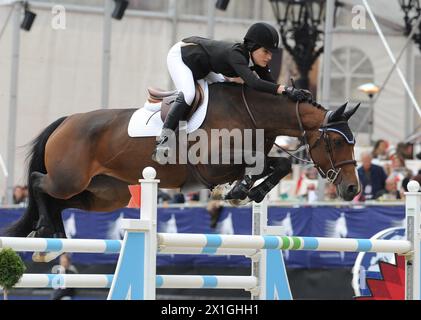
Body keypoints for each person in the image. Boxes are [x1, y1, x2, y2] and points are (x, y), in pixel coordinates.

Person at [151, 22, 313, 163]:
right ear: (253, 47)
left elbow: (271, 85)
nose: (269, 57)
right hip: (181, 57)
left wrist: (291, 93)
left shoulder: (255, 59)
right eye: (266, 51)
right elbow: (254, 83)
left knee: (222, 88)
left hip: (204, 65)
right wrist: (285, 89)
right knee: (189, 94)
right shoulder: (236, 55)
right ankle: (163, 141)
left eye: (271, 53)